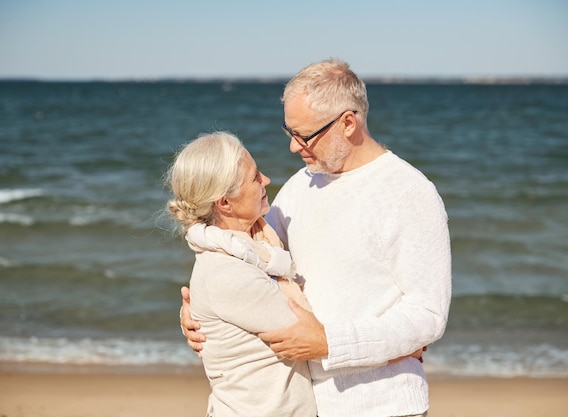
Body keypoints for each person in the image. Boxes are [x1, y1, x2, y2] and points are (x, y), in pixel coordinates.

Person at [181, 59, 452, 417]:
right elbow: (243, 258)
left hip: (383, 405)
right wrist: (199, 313)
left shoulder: (409, 193)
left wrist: (330, 343)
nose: (294, 147)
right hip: (309, 405)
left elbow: (427, 316)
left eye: (304, 135)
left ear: (348, 123)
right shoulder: (299, 187)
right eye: (288, 131)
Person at [166, 132, 317, 417]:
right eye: (255, 177)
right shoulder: (226, 272)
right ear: (224, 203)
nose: (267, 181)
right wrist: (392, 344)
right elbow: (312, 335)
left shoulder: (260, 244)